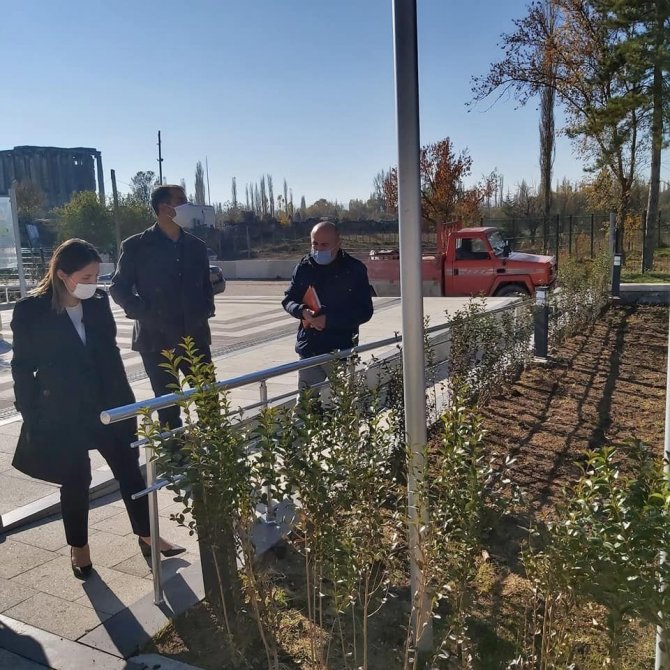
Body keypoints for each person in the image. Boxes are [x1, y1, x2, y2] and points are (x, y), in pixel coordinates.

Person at [11, 239, 184, 580]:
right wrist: (31, 413)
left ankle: (147, 534)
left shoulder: (99, 302)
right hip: (63, 409)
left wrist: (128, 405)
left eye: (97, 276)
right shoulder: (31, 310)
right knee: (76, 479)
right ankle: (79, 547)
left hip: (109, 403)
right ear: (63, 275)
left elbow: (111, 355)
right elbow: (22, 367)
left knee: (130, 471)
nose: (94, 283)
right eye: (86, 277)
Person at [110, 185, 215, 429]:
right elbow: (119, 287)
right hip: (155, 340)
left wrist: (205, 309)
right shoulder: (136, 246)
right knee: (168, 407)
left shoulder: (196, 246)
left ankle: (215, 448)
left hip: (194, 337)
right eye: (182, 201)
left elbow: (205, 286)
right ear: (164, 207)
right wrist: (144, 314)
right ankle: (175, 449)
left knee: (208, 400)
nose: (188, 206)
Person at [282, 220, 374, 390]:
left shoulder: (354, 269)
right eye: (315, 244)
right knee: (306, 402)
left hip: (340, 350)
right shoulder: (303, 267)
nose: (319, 249)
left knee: (343, 401)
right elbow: (288, 300)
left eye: (324, 245)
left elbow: (364, 311)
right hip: (309, 348)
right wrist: (302, 311)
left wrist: (329, 320)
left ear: (338, 244)